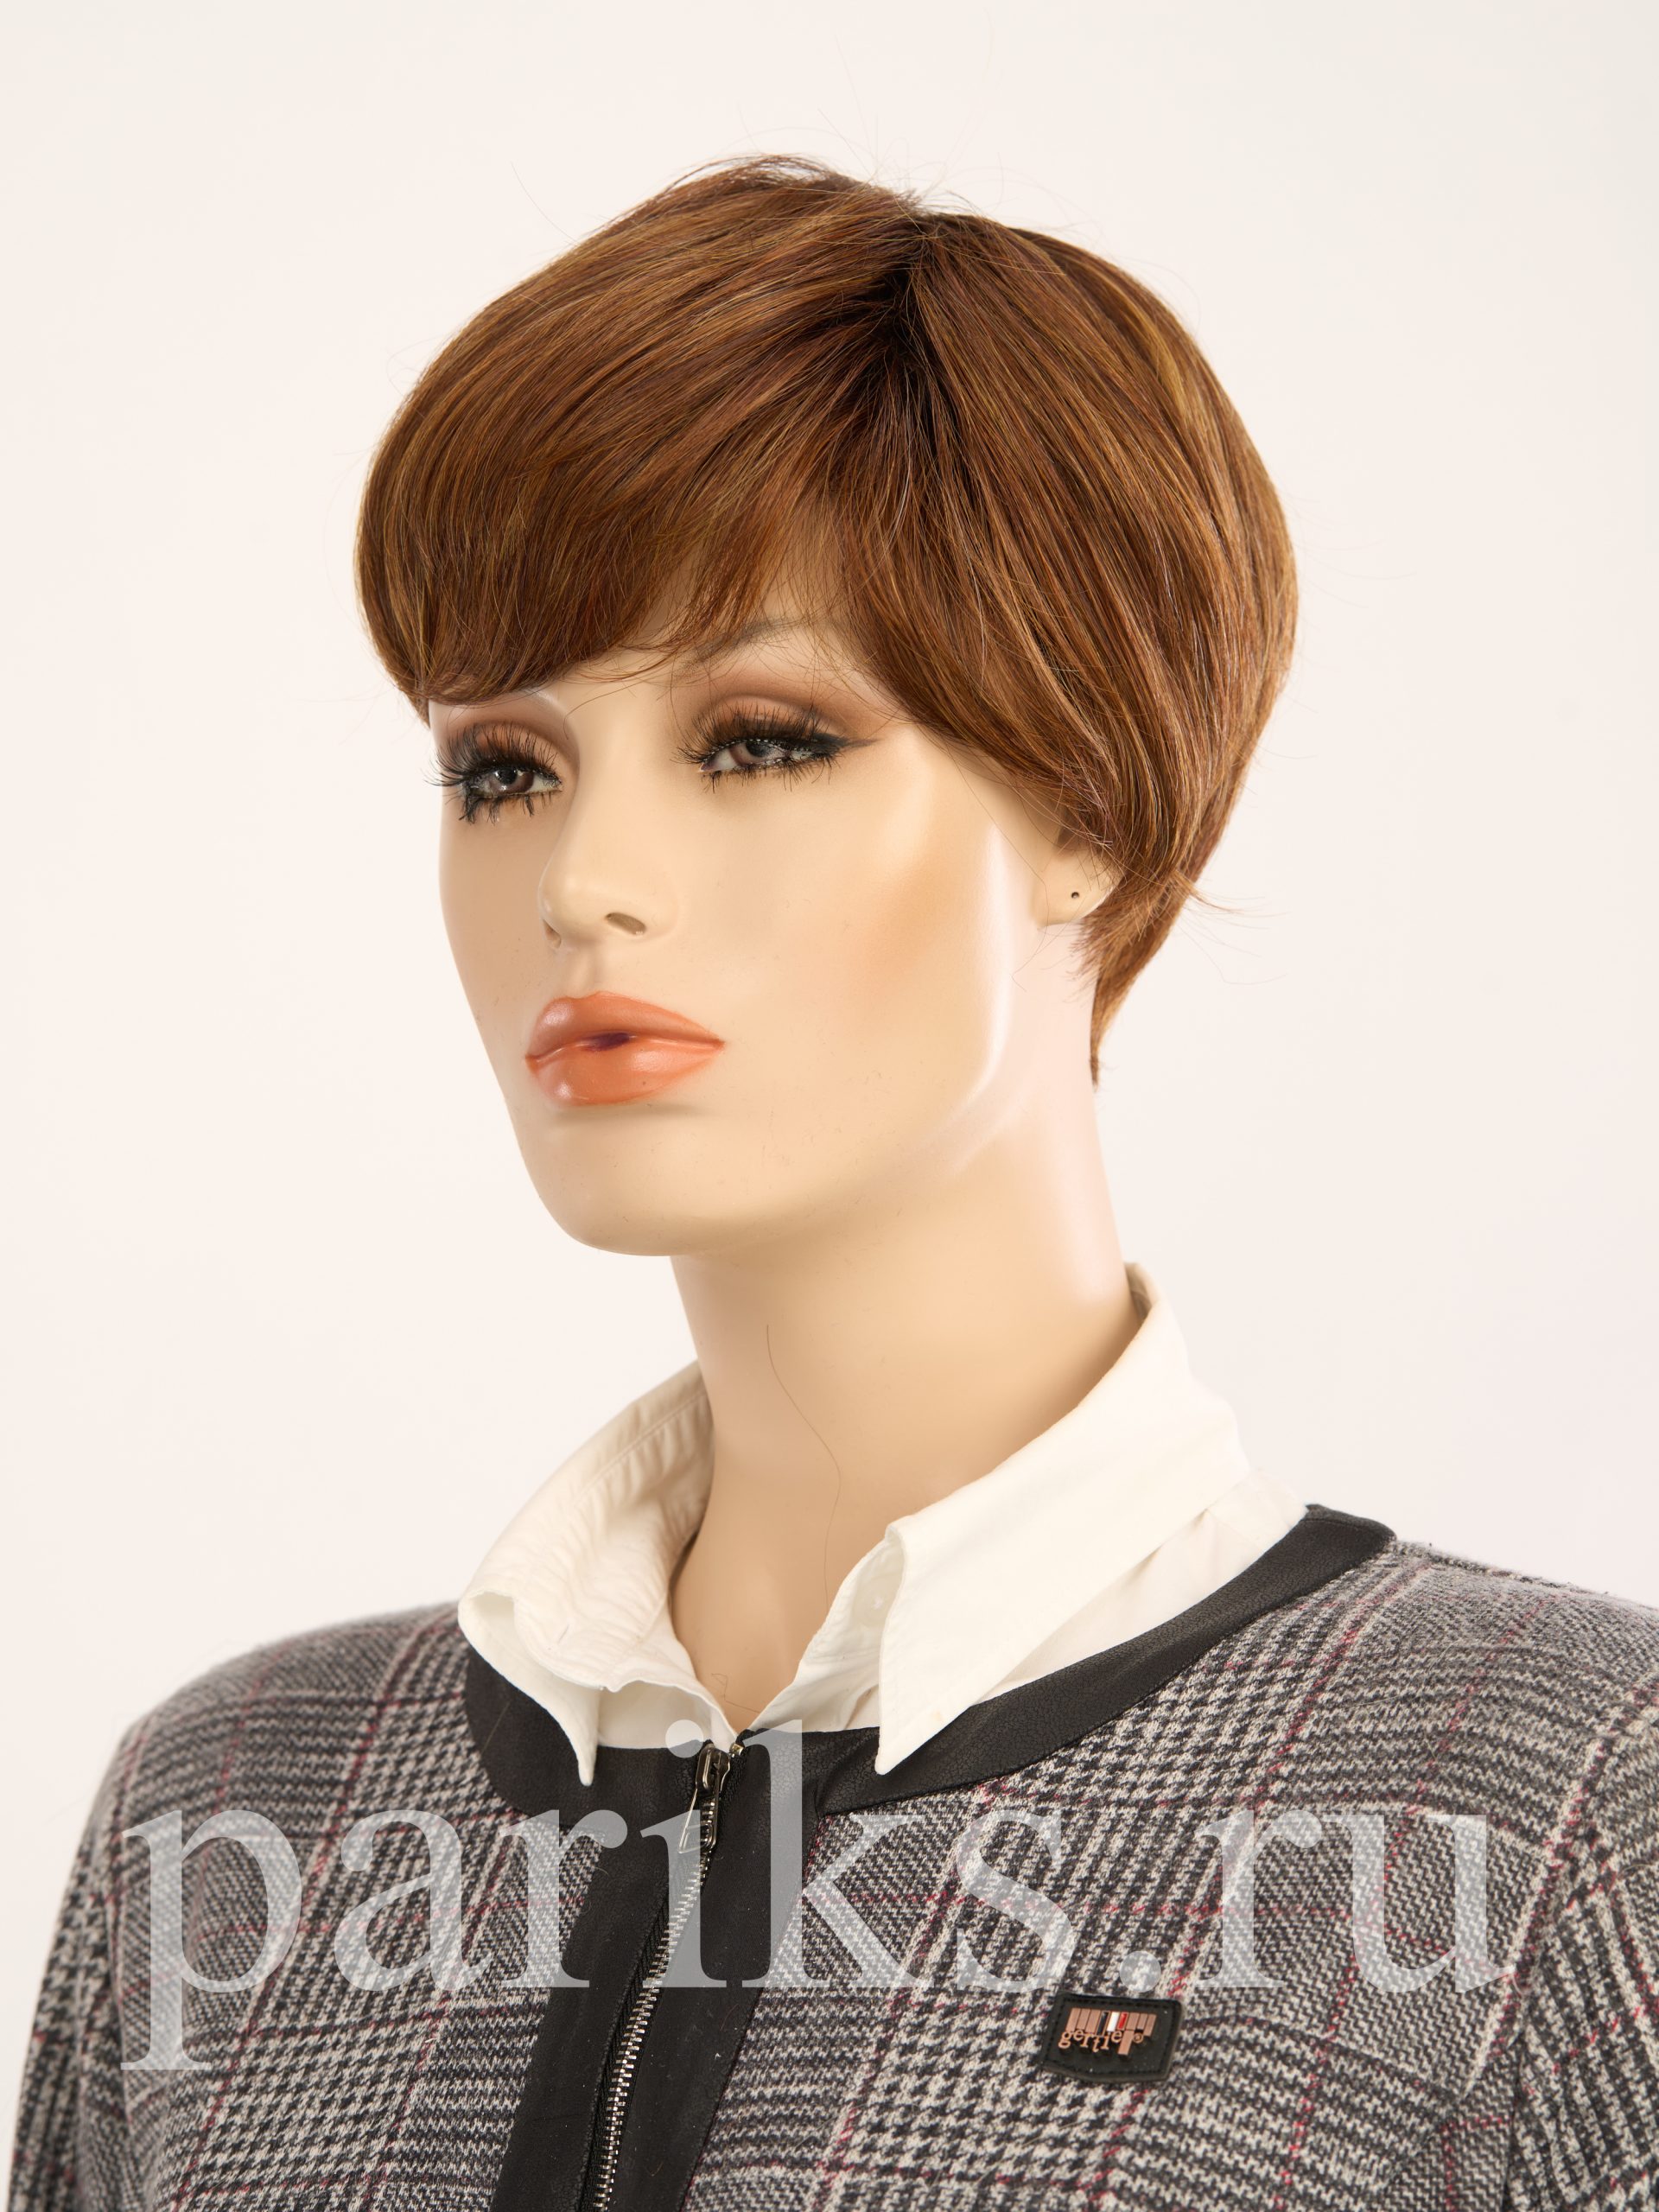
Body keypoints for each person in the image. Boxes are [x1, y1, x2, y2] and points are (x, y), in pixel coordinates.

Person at [11, 155, 1657, 2211]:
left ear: (1094, 807)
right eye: (504, 766)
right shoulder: (230, 1816)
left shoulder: (1552, 1794)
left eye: (763, 738)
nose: (584, 879)